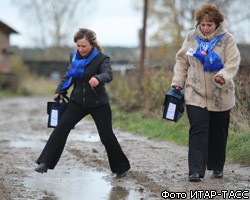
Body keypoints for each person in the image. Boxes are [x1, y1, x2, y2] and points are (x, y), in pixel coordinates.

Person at [35, 28, 130, 178]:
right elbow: (69, 75)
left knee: (107, 137)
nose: (80, 49)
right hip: (77, 102)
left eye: (83, 46)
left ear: (92, 44)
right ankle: (45, 162)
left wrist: (99, 78)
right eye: (78, 46)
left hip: (99, 103)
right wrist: (61, 89)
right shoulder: (74, 57)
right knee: (61, 128)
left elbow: (108, 74)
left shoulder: (102, 58)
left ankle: (121, 167)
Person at [171, 4, 240, 182]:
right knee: (198, 129)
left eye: (209, 24)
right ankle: (195, 170)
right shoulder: (191, 37)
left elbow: (232, 62)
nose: (205, 28)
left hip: (221, 94)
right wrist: (178, 82)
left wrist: (223, 76)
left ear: (217, 24)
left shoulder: (227, 39)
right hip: (195, 92)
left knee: (218, 132)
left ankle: (217, 167)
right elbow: (182, 61)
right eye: (202, 24)